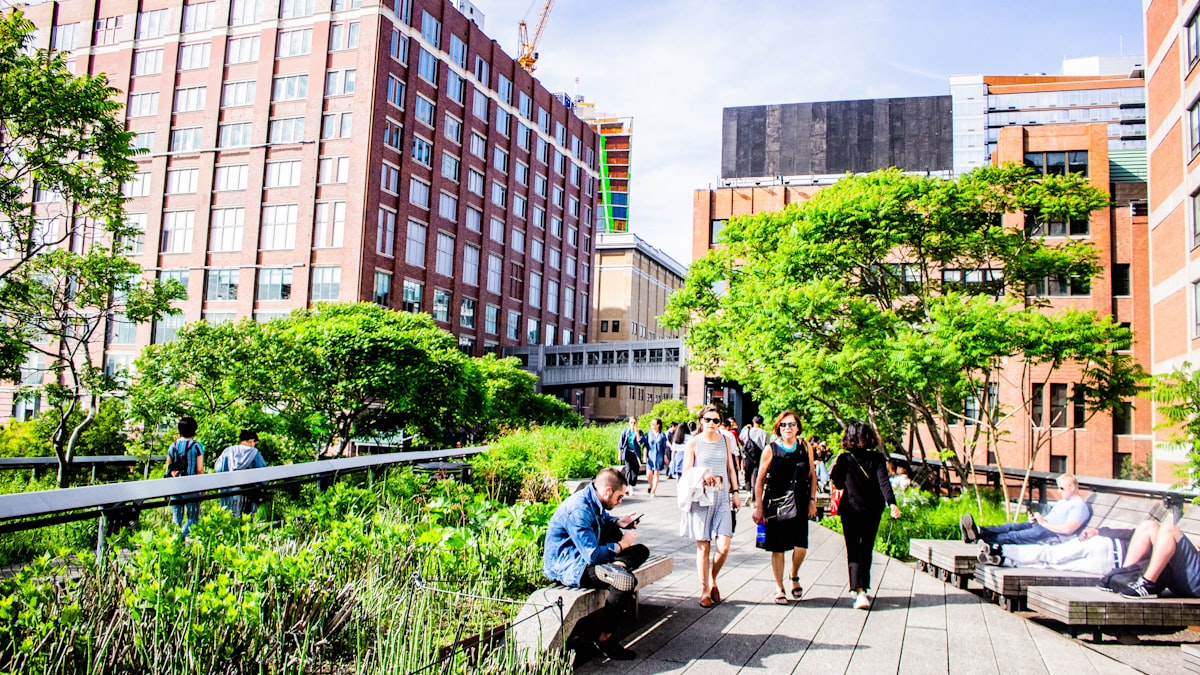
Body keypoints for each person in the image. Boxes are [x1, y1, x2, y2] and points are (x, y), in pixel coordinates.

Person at [543, 467, 648, 660]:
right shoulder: (578, 509)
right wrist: (621, 545)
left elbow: (604, 519)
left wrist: (619, 522)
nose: (620, 501)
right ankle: (605, 639)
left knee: (641, 551)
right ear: (608, 491)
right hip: (573, 567)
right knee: (624, 582)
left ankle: (615, 568)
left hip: (588, 559)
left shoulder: (593, 498)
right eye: (619, 497)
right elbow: (591, 555)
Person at [830, 420, 901, 610]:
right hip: (872, 510)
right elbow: (884, 483)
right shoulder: (877, 459)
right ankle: (864, 587)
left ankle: (858, 590)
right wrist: (892, 503)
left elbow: (837, 483)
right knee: (866, 548)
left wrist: (837, 466)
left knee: (853, 548)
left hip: (850, 509)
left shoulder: (845, 459)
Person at [752, 411, 818, 604]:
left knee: (801, 546)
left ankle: (794, 574)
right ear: (778, 428)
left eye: (791, 425)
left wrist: (812, 500)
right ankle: (779, 586)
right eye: (783, 425)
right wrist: (758, 507)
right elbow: (760, 479)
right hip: (776, 503)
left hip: (799, 501)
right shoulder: (771, 449)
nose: (787, 428)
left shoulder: (805, 447)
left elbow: (812, 474)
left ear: (798, 427)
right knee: (778, 547)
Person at [681, 405, 742, 608]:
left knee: (724, 546)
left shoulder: (725, 440)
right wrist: (703, 472)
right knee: (704, 546)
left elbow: (730, 468)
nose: (711, 424)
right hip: (702, 499)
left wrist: (736, 492)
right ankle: (705, 589)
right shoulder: (693, 443)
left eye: (716, 421)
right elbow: (686, 472)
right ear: (701, 420)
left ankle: (712, 578)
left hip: (722, 497)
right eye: (707, 420)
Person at [960, 475, 1090, 556]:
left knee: (1013, 536)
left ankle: (984, 541)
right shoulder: (1064, 502)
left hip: (1050, 533)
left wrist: (1044, 523)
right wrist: (1036, 519)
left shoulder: (1079, 506)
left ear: (1072, 487)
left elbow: (1068, 530)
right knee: (1010, 526)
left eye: (1061, 488)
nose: (1058, 491)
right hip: (1042, 526)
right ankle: (978, 531)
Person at [981, 523, 1137, 573]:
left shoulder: (1156, 532)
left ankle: (1002, 554)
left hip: (1107, 552)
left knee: (1052, 559)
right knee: (1052, 560)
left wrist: (1100, 531)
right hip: (1111, 564)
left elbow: (1134, 534)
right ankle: (1003, 556)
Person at [1115, 515, 1200, 599]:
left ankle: (1147, 583)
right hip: (1190, 576)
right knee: (1149, 526)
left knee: (1169, 530)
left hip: (1195, 585)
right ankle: (1123, 576)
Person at [166, 416, 205, 537]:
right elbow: (199, 469)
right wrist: (202, 489)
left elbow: (168, 468)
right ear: (194, 430)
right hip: (191, 486)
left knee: (176, 518)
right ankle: (181, 537)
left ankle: (174, 542)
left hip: (175, 485)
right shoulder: (196, 446)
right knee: (193, 517)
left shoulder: (173, 446)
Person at [214, 429, 268, 517]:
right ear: (251, 441)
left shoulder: (228, 451)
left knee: (229, 518)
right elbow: (264, 473)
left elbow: (218, 469)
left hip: (227, 491)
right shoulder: (254, 453)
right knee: (248, 520)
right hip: (249, 493)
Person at [740, 415, 768, 503]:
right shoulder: (764, 432)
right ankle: (754, 498)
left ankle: (748, 492)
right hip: (759, 456)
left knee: (747, 475)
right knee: (756, 476)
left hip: (748, 456)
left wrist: (745, 428)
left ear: (753, 421)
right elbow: (767, 444)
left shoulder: (748, 430)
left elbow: (741, 438)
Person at [618, 416, 646, 487]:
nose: (633, 424)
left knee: (635, 471)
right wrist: (619, 454)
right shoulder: (625, 432)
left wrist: (637, 433)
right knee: (628, 470)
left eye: (634, 422)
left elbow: (640, 442)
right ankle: (627, 486)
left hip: (635, 453)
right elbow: (620, 444)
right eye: (631, 422)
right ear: (629, 423)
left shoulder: (640, 432)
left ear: (637, 423)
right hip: (627, 452)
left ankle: (632, 484)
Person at [644, 418, 669, 496]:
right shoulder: (648, 434)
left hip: (659, 456)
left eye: (654, 424)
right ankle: (651, 485)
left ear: (658, 425)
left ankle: (653, 491)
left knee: (656, 474)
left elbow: (664, 446)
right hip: (650, 456)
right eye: (651, 424)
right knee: (648, 474)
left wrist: (665, 456)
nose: (652, 425)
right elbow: (645, 446)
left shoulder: (662, 435)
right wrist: (644, 455)